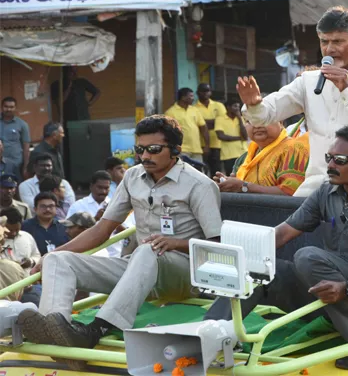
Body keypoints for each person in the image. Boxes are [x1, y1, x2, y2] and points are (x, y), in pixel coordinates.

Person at [205, 126, 348, 370]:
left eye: (340, 160)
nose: (331, 165)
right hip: (332, 289)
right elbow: (282, 233)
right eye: (328, 158)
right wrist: (236, 256)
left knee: (307, 256)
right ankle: (207, 335)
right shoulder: (325, 191)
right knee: (258, 270)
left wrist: (347, 288)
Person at [16, 115, 222, 371]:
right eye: (140, 149)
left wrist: (174, 243)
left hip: (184, 274)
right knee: (59, 260)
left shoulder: (200, 185)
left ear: (176, 151)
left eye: (154, 149)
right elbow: (103, 229)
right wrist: (51, 255)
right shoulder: (133, 177)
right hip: (139, 267)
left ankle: (98, 328)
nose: (144, 155)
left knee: (149, 249)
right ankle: (56, 333)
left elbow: (216, 244)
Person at [237, 7, 348, 197]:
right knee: (282, 226)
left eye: (338, 41)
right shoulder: (309, 81)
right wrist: (254, 103)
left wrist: (347, 90)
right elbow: (266, 114)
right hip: (316, 191)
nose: (330, 49)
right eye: (324, 42)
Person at [216, 121, 308, 195]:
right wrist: (227, 184)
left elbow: (291, 192)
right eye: (250, 121)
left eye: (264, 120)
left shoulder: (293, 149)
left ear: (280, 122)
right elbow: (238, 186)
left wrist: (244, 187)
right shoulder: (244, 157)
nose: (257, 125)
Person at [164, 88, 210, 163]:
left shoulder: (195, 110)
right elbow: (168, 132)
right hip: (181, 150)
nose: (193, 98)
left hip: (196, 149)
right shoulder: (170, 112)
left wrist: (207, 145)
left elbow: (203, 128)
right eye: (191, 96)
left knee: (198, 172)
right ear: (183, 97)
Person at [195, 83, 227, 176]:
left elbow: (223, 122)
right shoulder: (194, 108)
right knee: (202, 171)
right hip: (201, 144)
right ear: (198, 93)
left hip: (217, 143)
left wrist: (204, 123)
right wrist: (214, 122)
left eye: (207, 91)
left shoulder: (219, 105)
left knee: (216, 170)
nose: (205, 93)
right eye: (203, 91)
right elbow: (198, 125)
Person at [0, 207, 40, 274]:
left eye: (16, 229)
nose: (14, 233)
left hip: (28, 281)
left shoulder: (27, 236)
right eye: (10, 230)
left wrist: (31, 261)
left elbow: (37, 255)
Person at [0, 97, 30, 181]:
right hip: (0, 165)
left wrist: (25, 167)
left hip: (16, 165)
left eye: (11, 107)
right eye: (6, 106)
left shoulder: (22, 125)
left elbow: (26, 147)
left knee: (16, 188)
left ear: (15, 108)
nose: (8, 109)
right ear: (1, 107)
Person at [216, 99, 248, 175]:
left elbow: (245, 136)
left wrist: (240, 119)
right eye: (235, 106)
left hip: (243, 153)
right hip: (228, 154)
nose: (237, 108)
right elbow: (221, 136)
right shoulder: (220, 119)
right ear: (228, 107)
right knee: (231, 176)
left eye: (238, 106)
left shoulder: (241, 119)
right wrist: (238, 138)